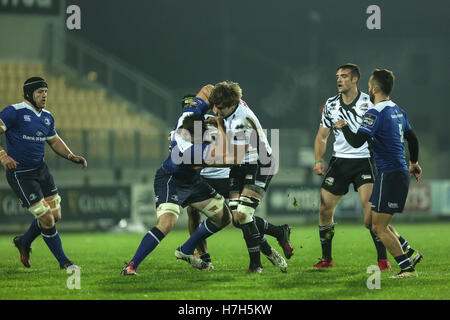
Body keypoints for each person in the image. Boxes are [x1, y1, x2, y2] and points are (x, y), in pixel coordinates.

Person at [121, 85, 234, 276]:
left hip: (193, 182)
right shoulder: (190, 151)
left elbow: (207, 89)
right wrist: (221, 124)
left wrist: (218, 100)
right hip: (170, 180)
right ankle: (131, 266)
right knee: (167, 223)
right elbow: (227, 158)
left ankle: (187, 249)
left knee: (224, 217)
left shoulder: (188, 116)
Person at [181, 96, 293, 271]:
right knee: (199, 212)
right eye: (188, 107)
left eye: (194, 105)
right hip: (206, 178)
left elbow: (231, 153)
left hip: (227, 174)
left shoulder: (221, 121)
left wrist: (204, 160)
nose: (193, 109)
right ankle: (205, 257)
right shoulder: (187, 128)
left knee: (240, 218)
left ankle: (267, 251)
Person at [334, 68, 423, 278]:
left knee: (379, 227)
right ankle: (409, 251)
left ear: (374, 88)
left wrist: (344, 126)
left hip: (390, 174)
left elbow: (356, 142)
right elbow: (413, 139)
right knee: (370, 222)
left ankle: (407, 267)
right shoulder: (398, 110)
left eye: (368, 87)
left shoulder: (375, 113)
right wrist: (414, 162)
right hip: (395, 172)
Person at [0, 77, 87, 270]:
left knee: (55, 216)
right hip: (21, 174)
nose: (44, 95)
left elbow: (54, 140)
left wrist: (72, 156)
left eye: (46, 91)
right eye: (40, 92)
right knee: (46, 218)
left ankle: (23, 241)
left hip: (41, 170)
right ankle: (64, 263)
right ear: (29, 94)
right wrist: (3, 155)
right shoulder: (13, 112)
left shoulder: (47, 116)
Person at [313, 63, 393, 270]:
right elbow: (322, 136)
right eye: (338, 76)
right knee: (324, 209)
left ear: (355, 79)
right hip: (339, 162)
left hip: (364, 160)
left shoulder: (370, 102)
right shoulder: (330, 104)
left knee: (370, 214)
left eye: (344, 76)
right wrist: (318, 160)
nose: (339, 80)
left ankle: (382, 260)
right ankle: (326, 259)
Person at [208, 80, 289, 274]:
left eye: (220, 108)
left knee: (243, 214)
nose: (216, 111)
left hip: (260, 163)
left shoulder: (239, 122)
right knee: (238, 219)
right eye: (215, 107)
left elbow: (229, 154)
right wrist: (220, 119)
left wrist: (204, 162)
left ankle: (256, 265)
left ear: (232, 105)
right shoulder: (235, 104)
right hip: (241, 166)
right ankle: (278, 232)